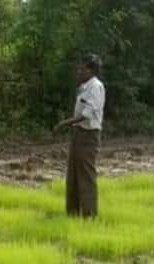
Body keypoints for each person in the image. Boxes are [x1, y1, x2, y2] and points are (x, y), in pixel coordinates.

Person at [53, 54, 106, 218]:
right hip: (78, 133)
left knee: (86, 176)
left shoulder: (95, 87)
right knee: (73, 174)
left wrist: (63, 123)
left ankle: (89, 215)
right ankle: (73, 213)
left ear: (91, 70)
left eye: (82, 69)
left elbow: (86, 114)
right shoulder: (84, 87)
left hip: (88, 135)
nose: (78, 72)